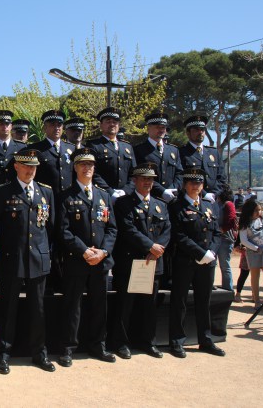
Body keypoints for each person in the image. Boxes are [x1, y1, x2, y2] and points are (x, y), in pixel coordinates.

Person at [0, 148, 55, 374]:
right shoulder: (3, 192)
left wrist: (46, 252)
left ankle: (39, 353)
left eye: (34, 167)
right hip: (12, 260)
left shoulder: (46, 192)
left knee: (39, 310)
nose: (30, 170)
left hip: (38, 259)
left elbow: (51, 228)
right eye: (26, 166)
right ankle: (4, 355)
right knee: (8, 310)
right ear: (16, 166)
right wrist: (6, 247)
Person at [58, 147, 117, 367]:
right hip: (77, 260)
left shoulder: (104, 196)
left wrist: (103, 252)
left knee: (99, 306)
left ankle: (98, 345)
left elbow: (112, 229)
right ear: (75, 168)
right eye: (83, 164)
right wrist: (84, 250)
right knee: (72, 306)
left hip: (100, 261)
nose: (87, 168)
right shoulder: (65, 196)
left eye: (90, 165)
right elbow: (62, 231)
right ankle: (68, 348)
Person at [111, 163, 170, 359]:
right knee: (125, 306)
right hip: (131, 262)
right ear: (134, 180)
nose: (147, 183)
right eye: (144, 179)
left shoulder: (160, 205)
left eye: (151, 179)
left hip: (153, 262)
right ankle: (121, 343)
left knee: (149, 306)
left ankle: (148, 342)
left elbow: (167, 230)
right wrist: (149, 246)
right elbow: (128, 230)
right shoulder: (123, 203)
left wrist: (158, 249)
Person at [168, 168, 225, 358]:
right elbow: (179, 235)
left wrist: (212, 252)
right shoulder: (176, 206)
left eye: (199, 183)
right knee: (180, 302)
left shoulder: (210, 206)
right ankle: (177, 340)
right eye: (192, 183)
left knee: (204, 301)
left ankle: (206, 339)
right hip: (186, 261)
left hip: (207, 262)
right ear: (185, 185)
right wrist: (200, 253)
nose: (196, 186)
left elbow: (217, 232)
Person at [85, 107, 136, 200]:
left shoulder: (127, 147)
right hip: (103, 197)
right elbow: (93, 173)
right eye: (108, 121)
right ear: (101, 125)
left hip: (126, 198)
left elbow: (134, 174)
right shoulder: (93, 146)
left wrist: (126, 190)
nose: (112, 124)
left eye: (115, 122)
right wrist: (110, 192)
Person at [133, 112, 183, 203]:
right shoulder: (138, 150)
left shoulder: (173, 150)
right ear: (148, 128)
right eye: (157, 127)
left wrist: (173, 189)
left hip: (172, 199)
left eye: (163, 127)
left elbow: (179, 173)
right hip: (150, 198)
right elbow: (137, 175)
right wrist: (162, 191)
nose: (161, 130)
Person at [178, 115, 227, 201]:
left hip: (213, 201)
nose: (200, 132)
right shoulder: (181, 152)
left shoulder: (214, 152)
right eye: (196, 130)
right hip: (190, 200)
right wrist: (204, 194)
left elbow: (221, 178)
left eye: (202, 130)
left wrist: (214, 194)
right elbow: (181, 178)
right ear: (188, 133)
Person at [28, 109, 75, 194]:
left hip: (68, 199)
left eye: (59, 125)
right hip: (45, 198)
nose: (57, 128)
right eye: (52, 124)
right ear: (45, 128)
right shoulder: (35, 149)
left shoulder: (71, 148)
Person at [237, 198, 263, 310]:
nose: (258, 212)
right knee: (255, 277)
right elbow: (244, 240)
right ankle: (257, 300)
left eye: (259, 210)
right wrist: (256, 248)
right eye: (256, 210)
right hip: (253, 252)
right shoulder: (245, 223)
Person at [217, 189, 238, 291]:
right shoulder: (219, 203)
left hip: (224, 238)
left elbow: (231, 221)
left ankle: (229, 290)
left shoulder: (228, 204)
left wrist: (219, 230)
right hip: (219, 237)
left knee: (225, 265)